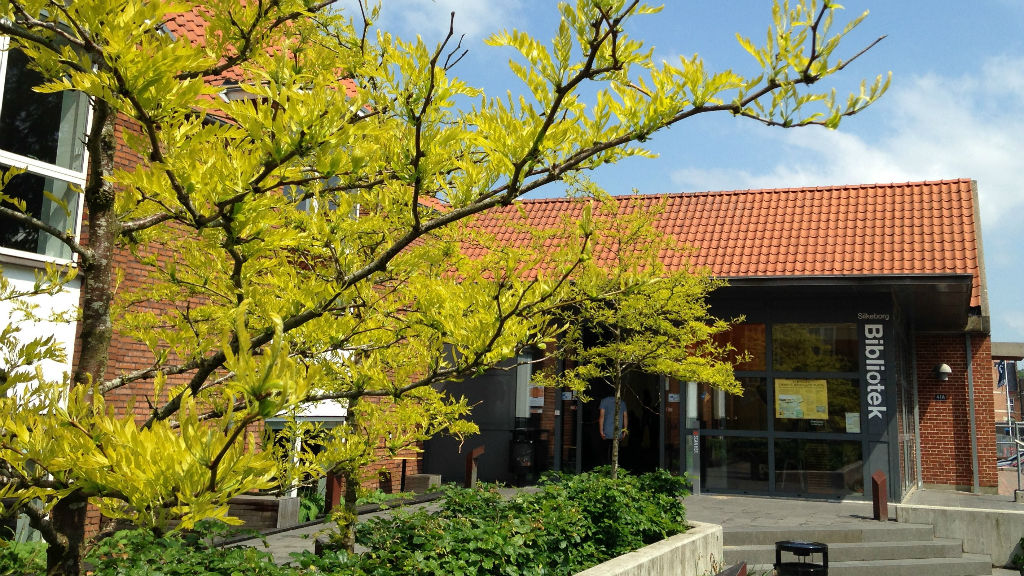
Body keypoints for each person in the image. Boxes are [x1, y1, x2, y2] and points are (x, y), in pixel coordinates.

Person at [598, 394, 628, 465]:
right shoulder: (622, 402)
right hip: (618, 433)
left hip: (606, 433)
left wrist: (601, 431)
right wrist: (624, 431)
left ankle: (606, 468)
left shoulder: (604, 401)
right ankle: (615, 468)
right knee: (616, 454)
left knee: (605, 454)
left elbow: (601, 417)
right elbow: (625, 417)